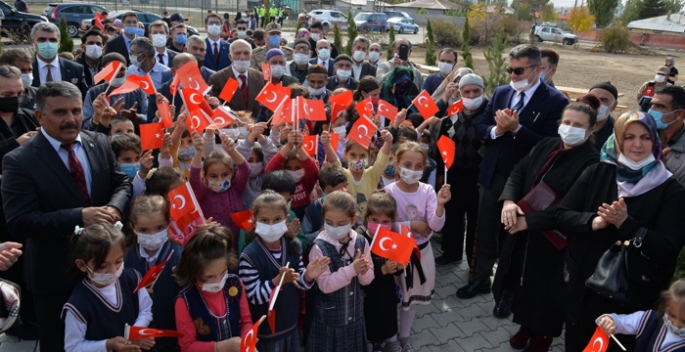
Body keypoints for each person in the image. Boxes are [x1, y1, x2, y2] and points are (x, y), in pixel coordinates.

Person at [1, 81, 132, 351]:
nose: (71, 119)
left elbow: (121, 183)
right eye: (60, 112)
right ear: (39, 116)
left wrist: (114, 208)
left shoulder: (98, 142)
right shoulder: (19, 161)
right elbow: (19, 221)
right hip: (55, 274)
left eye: (75, 111)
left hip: (106, 270)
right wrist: (78, 216)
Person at [556, 110, 685, 352]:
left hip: (630, 299)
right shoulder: (598, 171)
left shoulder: (670, 190)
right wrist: (594, 221)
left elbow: (668, 250)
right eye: (628, 137)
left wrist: (627, 225)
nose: (637, 144)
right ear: (617, 139)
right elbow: (562, 214)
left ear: (655, 140)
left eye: (645, 137)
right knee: (576, 343)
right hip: (583, 289)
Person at [457, 45, 569, 308]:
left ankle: (508, 289)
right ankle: (481, 277)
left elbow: (552, 145)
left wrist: (517, 129)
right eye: (510, 69)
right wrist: (498, 130)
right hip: (493, 174)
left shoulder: (556, 101)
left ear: (537, 70)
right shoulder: (501, 92)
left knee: (514, 236)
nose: (513, 75)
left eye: (519, 70)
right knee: (486, 229)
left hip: (526, 183)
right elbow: (481, 127)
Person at [493, 102, 600, 352]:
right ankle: (525, 325)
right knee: (524, 282)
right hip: (524, 231)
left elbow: (570, 208)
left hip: (555, 238)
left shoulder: (592, 163)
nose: (569, 128)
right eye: (566, 122)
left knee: (548, 292)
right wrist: (508, 201)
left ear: (591, 129)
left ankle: (543, 336)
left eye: (578, 125)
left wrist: (527, 222)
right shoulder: (547, 144)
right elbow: (519, 171)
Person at [239, 192, 329, 350]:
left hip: (290, 325)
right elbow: (253, 296)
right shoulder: (249, 256)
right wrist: (277, 281)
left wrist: (308, 276)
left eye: (277, 220)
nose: (271, 225)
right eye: (265, 220)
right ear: (254, 222)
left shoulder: (292, 246)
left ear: (285, 220)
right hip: (266, 333)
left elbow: (299, 280)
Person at [384, 142, 451, 352]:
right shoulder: (388, 192)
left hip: (421, 253)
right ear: (396, 163)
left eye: (418, 166)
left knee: (411, 301)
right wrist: (410, 225)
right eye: (407, 164)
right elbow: (383, 225)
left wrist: (440, 205)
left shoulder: (428, 190)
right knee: (394, 298)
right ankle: (391, 338)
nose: (413, 170)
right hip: (396, 254)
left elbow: (436, 225)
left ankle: (404, 336)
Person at [62, 223, 153, 351]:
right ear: (82, 265)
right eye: (103, 266)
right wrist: (108, 345)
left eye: (118, 261)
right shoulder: (78, 305)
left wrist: (137, 331)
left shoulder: (132, 278)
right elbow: (73, 347)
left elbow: (145, 309)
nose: (112, 270)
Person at [306, 191, 373, 351]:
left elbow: (368, 279)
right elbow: (325, 285)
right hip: (330, 322)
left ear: (353, 220)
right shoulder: (319, 247)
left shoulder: (361, 242)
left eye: (341, 223)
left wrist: (363, 271)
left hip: (355, 318)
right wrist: (352, 270)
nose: (334, 228)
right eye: (329, 222)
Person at [433, 74, 487, 267]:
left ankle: (474, 262)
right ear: (459, 93)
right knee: (453, 215)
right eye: (467, 91)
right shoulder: (453, 114)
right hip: (454, 174)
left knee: (476, 220)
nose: (472, 95)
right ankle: (451, 253)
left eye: (476, 91)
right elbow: (442, 144)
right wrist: (440, 173)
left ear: (483, 91)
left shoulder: (491, 114)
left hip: (479, 178)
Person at [174, 224, 252, 352]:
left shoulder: (235, 284)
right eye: (209, 277)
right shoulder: (185, 301)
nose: (218, 281)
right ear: (194, 272)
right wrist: (222, 347)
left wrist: (247, 341)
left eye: (223, 273)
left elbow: (246, 321)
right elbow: (187, 346)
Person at [124, 195, 182, 351]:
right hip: (137, 341)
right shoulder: (124, 259)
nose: (152, 235)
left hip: (172, 337)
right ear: (133, 227)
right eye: (144, 230)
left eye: (159, 228)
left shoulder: (179, 257)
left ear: (169, 223)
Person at [189, 130, 249, 248]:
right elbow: (194, 179)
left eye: (225, 174)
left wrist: (232, 151)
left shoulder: (236, 189)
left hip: (238, 246)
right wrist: (198, 152)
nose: (220, 180)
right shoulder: (203, 193)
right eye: (213, 176)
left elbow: (245, 170)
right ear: (205, 176)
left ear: (231, 173)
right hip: (214, 247)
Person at [361, 192, 403, 352]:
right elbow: (362, 270)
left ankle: (381, 345)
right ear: (367, 218)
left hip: (386, 294)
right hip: (367, 294)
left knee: (384, 323)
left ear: (392, 221)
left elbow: (398, 271)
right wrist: (382, 269)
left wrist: (399, 268)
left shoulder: (392, 240)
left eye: (385, 222)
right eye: (375, 221)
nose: (379, 225)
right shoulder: (361, 240)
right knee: (369, 322)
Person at [596, 278, 685, 351]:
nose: (676, 325)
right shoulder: (649, 319)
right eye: (671, 315)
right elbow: (620, 322)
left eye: (684, 321)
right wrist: (610, 321)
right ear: (665, 306)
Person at [83, 53, 148, 131]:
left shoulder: (137, 90)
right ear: (102, 71)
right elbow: (85, 127)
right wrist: (97, 116)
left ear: (127, 69)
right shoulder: (93, 93)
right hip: (103, 140)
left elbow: (149, 119)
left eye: (121, 69)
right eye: (112, 69)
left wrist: (136, 117)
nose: (117, 73)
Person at [264, 129, 319, 220]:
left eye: (297, 168)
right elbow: (269, 170)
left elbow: (313, 172)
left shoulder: (306, 183)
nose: (293, 171)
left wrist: (300, 148)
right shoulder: (278, 184)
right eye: (288, 168)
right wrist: (289, 146)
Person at [30, 23, 88, 98]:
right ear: (33, 42)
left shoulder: (75, 69)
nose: (48, 43)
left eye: (52, 40)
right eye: (42, 40)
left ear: (59, 43)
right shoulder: (25, 69)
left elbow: (83, 98)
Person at [210, 39, 265, 118]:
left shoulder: (260, 77)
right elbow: (217, 108)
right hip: (231, 128)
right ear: (230, 57)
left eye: (246, 53)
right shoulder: (217, 79)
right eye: (237, 53)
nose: (242, 57)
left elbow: (265, 109)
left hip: (256, 127)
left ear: (251, 57)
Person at [649, 85, 685, 182]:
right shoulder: (639, 136)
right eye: (652, 104)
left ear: (680, 114)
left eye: (660, 106)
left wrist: (664, 173)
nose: (651, 110)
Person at [588, 81, 619, 150]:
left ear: (614, 106)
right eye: (592, 98)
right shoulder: (573, 123)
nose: (596, 103)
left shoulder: (616, 133)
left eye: (604, 100)